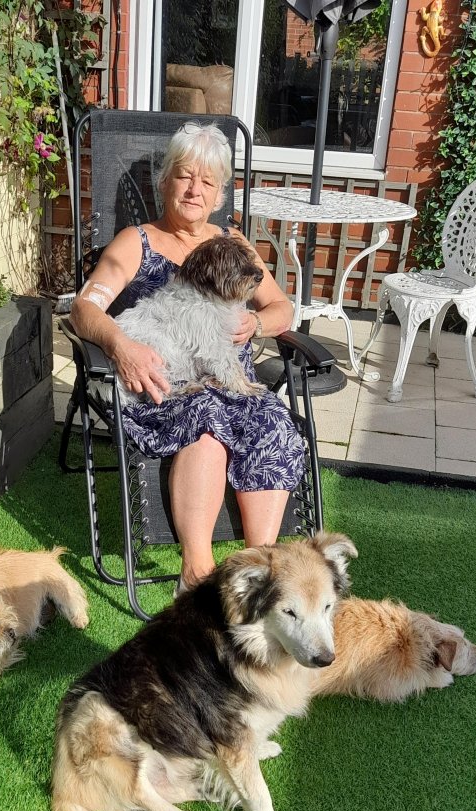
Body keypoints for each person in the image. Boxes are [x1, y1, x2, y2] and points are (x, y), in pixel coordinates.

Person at [70, 121, 306, 591]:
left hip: (234, 385)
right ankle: (196, 575)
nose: (194, 189)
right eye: (184, 176)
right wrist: (121, 346)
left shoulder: (234, 247)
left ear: (220, 195)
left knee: (276, 423)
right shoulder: (135, 242)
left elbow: (284, 308)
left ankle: (257, 572)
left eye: (208, 181)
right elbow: (83, 307)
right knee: (207, 419)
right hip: (165, 386)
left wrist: (257, 323)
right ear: (165, 183)